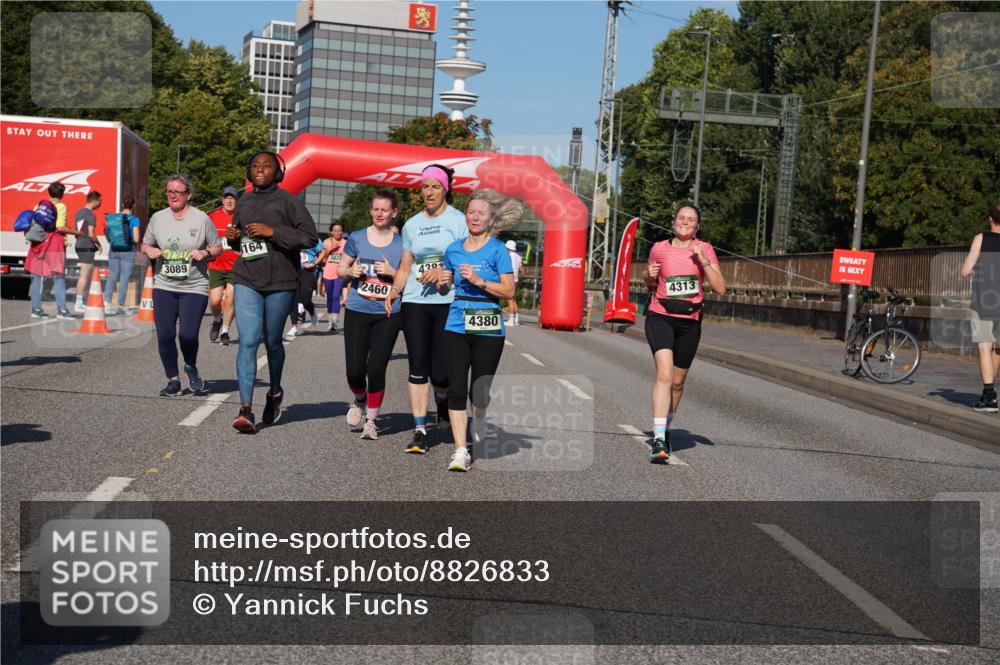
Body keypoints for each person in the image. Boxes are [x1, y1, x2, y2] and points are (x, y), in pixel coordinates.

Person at [225, 151, 318, 432]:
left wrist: (272, 232)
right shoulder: (244, 201)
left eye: (267, 166)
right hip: (247, 278)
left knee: (272, 342)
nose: (260, 170)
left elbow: (310, 238)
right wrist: (233, 238)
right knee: (248, 341)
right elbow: (241, 240)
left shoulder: (289, 202)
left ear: (278, 172)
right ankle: (245, 409)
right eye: (255, 166)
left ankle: (275, 392)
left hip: (281, 282)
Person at [386, 164, 469, 454]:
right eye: (425, 187)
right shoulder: (411, 225)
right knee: (418, 365)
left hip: (448, 301)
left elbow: (467, 262)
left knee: (442, 372)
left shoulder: (459, 221)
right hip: (415, 301)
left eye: (435, 186)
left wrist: (445, 272)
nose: (429, 192)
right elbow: (406, 266)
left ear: (445, 189)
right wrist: (394, 290)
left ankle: (443, 401)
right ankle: (420, 429)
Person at [436, 190, 520, 472]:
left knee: (478, 393)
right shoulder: (453, 249)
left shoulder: (498, 250)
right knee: (456, 390)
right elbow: (445, 288)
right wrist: (443, 283)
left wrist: (480, 280)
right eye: (471, 212)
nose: (475, 217)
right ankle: (461, 451)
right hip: (457, 324)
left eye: (481, 213)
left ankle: (480, 416)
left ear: (490, 218)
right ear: (466, 216)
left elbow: (509, 290)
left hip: (488, 326)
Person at [642, 203, 726, 463]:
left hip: (690, 321)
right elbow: (650, 280)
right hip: (660, 316)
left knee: (677, 383)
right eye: (681, 217)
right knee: (664, 374)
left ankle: (666, 429)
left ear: (697, 226)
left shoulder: (705, 249)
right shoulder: (659, 248)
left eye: (690, 219)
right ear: (674, 222)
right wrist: (647, 275)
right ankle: (657, 441)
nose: (685, 222)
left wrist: (704, 262)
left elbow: (720, 288)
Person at [143, 174, 222, 397]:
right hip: (164, 285)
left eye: (178, 192)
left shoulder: (201, 219)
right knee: (165, 334)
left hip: (194, 287)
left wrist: (205, 252)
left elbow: (218, 248)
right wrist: (150, 250)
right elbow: (145, 244)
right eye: (169, 191)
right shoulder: (158, 218)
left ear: (188, 195)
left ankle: (191, 366)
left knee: (187, 335)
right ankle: (173, 380)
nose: (172, 195)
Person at [338, 191, 403, 440]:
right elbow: (341, 268)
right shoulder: (356, 238)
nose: (379, 213)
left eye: (384, 210)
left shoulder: (402, 244)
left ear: (394, 212)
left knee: (376, 368)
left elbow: (408, 280)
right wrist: (350, 271)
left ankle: (371, 421)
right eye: (375, 209)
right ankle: (359, 398)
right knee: (354, 370)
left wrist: (392, 271)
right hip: (357, 309)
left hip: (388, 313)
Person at [961, 203, 1000, 413]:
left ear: (990, 220)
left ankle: (989, 395)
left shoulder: (981, 238)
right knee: (998, 348)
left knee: (985, 345)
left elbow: (966, 270)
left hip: (985, 300)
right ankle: (989, 393)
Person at [27, 183, 81, 319]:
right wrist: (75, 232)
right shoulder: (61, 206)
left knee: (36, 277)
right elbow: (60, 227)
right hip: (54, 244)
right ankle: (62, 311)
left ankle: (36, 309)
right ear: (62, 194)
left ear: (49, 193)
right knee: (58, 277)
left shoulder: (38, 206)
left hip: (38, 243)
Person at [208, 186, 240, 345]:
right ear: (222, 200)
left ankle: (225, 332)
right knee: (214, 302)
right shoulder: (212, 217)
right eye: (226, 198)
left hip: (235, 267)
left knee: (230, 300)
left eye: (232, 198)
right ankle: (217, 319)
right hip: (216, 265)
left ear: (236, 201)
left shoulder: (241, 218)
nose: (229, 201)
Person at [103, 195, 141, 316]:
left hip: (114, 250)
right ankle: (120, 304)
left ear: (123, 205)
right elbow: (136, 238)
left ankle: (106, 303)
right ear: (133, 206)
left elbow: (108, 234)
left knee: (112, 276)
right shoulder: (134, 219)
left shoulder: (113, 218)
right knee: (124, 278)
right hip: (128, 252)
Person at [287, 236, 324, 338]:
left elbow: (323, 251)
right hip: (293, 270)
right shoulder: (291, 234)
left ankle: (311, 311)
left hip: (308, 271)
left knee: (306, 299)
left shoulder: (312, 237)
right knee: (294, 299)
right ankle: (294, 326)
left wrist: (315, 263)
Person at [72, 191, 102, 314]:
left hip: (79, 244)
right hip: (87, 246)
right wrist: (98, 243)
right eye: (100, 201)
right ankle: (79, 303)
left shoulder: (78, 212)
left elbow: (76, 231)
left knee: (86, 274)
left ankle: (83, 300)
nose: (100, 204)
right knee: (84, 275)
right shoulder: (91, 215)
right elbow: (91, 234)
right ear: (94, 201)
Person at [317, 222, 347, 332]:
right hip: (328, 273)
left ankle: (334, 322)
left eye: (339, 230)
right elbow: (323, 259)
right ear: (331, 232)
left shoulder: (346, 243)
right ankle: (330, 320)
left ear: (342, 232)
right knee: (329, 298)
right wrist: (330, 249)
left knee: (335, 297)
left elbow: (349, 258)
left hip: (339, 273)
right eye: (335, 230)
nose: (337, 232)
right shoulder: (326, 242)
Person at [504, 239, 522, 326]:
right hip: (516, 279)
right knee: (514, 300)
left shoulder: (508, 256)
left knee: (510, 300)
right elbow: (520, 269)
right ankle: (516, 319)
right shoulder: (519, 257)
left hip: (509, 279)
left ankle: (511, 320)